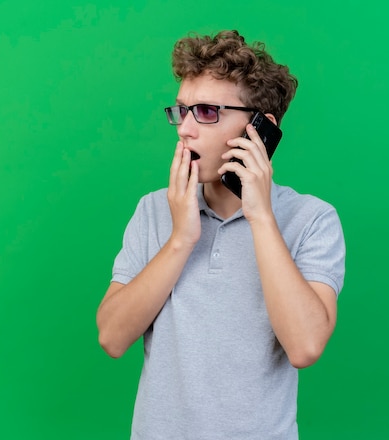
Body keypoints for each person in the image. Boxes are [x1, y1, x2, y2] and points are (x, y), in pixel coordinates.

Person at [96, 30, 346, 439]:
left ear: (260, 128)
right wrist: (181, 239)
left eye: (207, 112)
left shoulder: (312, 219)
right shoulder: (154, 210)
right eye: (181, 111)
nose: (185, 131)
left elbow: (305, 347)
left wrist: (261, 216)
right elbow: (111, 337)